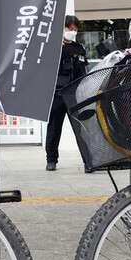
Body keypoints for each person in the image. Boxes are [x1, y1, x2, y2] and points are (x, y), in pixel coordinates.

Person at [45, 15, 87, 171]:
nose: (73, 32)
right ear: (63, 28)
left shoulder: (78, 48)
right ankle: (51, 160)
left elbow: (84, 71)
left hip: (74, 94)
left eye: (75, 30)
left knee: (81, 129)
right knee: (54, 129)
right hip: (58, 94)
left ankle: (88, 161)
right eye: (70, 29)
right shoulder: (54, 47)